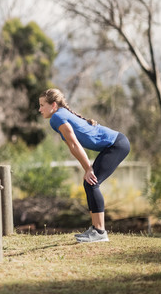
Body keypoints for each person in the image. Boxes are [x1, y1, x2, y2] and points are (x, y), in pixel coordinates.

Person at [38, 88, 130, 243]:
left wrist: (88, 169)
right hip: (117, 144)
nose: (39, 109)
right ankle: (96, 229)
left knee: (92, 183)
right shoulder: (60, 116)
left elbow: (74, 144)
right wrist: (87, 168)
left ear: (53, 105)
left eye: (42, 105)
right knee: (89, 183)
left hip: (116, 145)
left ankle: (100, 232)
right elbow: (72, 146)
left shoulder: (57, 117)